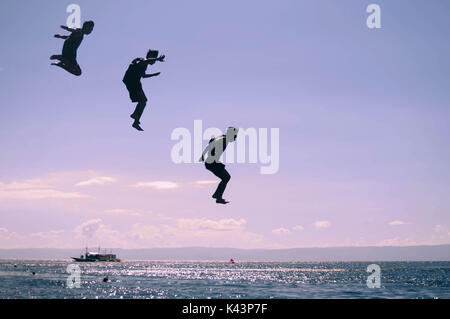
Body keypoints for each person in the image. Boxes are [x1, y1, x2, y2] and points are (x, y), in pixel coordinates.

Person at [122, 50, 165, 131]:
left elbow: (144, 76)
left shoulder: (144, 64)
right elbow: (146, 60)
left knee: (143, 101)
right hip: (132, 82)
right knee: (143, 101)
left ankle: (135, 119)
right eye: (154, 59)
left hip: (135, 82)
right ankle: (135, 117)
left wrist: (154, 75)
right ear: (151, 57)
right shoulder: (142, 61)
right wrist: (157, 59)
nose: (154, 62)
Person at [200, 127, 239, 204]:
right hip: (212, 162)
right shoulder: (223, 139)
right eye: (234, 136)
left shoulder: (223, 138)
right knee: (226, 177)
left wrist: (203, 155)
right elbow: (211, 144)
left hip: (211, 162)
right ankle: (217, 196)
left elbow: (211, 143)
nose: (235, 139)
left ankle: (217, 196)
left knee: (226, 177)